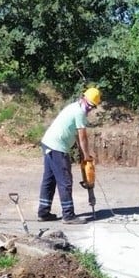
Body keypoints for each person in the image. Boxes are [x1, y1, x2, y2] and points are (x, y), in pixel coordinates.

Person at [38, 87, 101, 224]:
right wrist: (86, 155)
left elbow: (77, 136)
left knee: (49, 180)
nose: (90, 108)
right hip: (57, 147)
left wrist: (82, 153)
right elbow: (82, 136)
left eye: (92, 106)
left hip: (48, 143)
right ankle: (68, 215)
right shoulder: (79, 113)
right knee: (65, 181)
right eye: (89, 105)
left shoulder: (73, 107)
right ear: (83, 98)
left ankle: (43, 212)